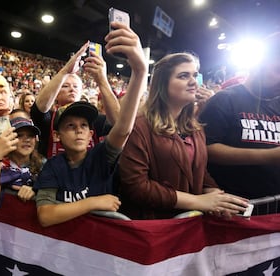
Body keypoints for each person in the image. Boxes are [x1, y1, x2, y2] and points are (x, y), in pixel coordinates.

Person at [32, 21, 148, 227]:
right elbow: (46, 216)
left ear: (90, 131)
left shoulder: (100, 155)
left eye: (83, 126)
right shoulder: (53, 164)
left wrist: (137, 72)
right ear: (57, 134)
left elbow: (122, 125)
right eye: (70, 126)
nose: (78, 130)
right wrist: (66, 71)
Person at [118, 52, 249, 220]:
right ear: (162, 84)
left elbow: (199, 170)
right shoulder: (140, 127)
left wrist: (217, 196)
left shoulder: (195, 128)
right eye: (183, 76)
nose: (194, 81)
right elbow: (136, 186)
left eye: (195, 75)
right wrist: (197, 201)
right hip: (153, 227)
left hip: (188, 226)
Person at [198, 32, 280, 201]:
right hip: (232, 206)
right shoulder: (224, 100)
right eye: (278, 70)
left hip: (273, 208)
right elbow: (205, 149)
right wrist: (269, 156)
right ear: (259, 64)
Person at [30, 40, 120, 159]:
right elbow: (38, 109)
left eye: (76, 86)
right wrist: (65, 71)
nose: (72, 89)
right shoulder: (49, 119)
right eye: (65, 86)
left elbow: (120, 124)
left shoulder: (94, 119)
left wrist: (102, 80)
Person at [0, 116, 45, 212]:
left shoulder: (44, 164)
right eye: (19, 135)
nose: (26, 140)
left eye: (31, 135)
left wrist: (36, 191)